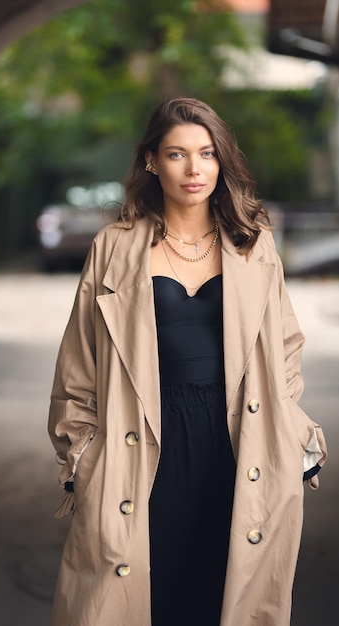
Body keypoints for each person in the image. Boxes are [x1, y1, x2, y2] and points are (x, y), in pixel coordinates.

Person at [48, 97, 327, 626]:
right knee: (145, 597)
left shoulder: (253, 244)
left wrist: (290, 432)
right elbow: (77, 367)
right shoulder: (114, 246)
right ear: (152, 161)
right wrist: (82, 460)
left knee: (224, 593)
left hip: (237, 441)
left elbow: (284, 351)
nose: (194, 169)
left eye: (207, 153)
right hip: (143, 440)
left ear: (222, 160)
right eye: (177, 154)